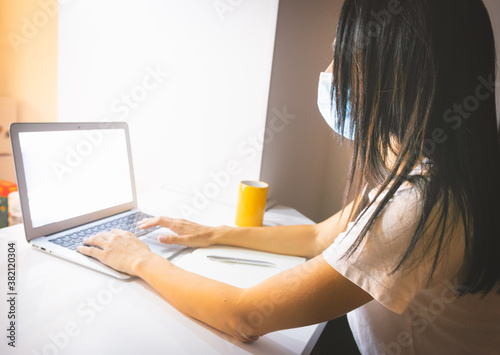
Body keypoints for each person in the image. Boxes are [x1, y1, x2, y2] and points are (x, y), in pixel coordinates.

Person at [78, 0, 500, 353]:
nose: (331, 72)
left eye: (342, 55)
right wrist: (210, 233)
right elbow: (319, 237)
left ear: (394, 75)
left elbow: (243, 315)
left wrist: (139, 260)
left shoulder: (420, 204)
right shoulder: (429, 169)